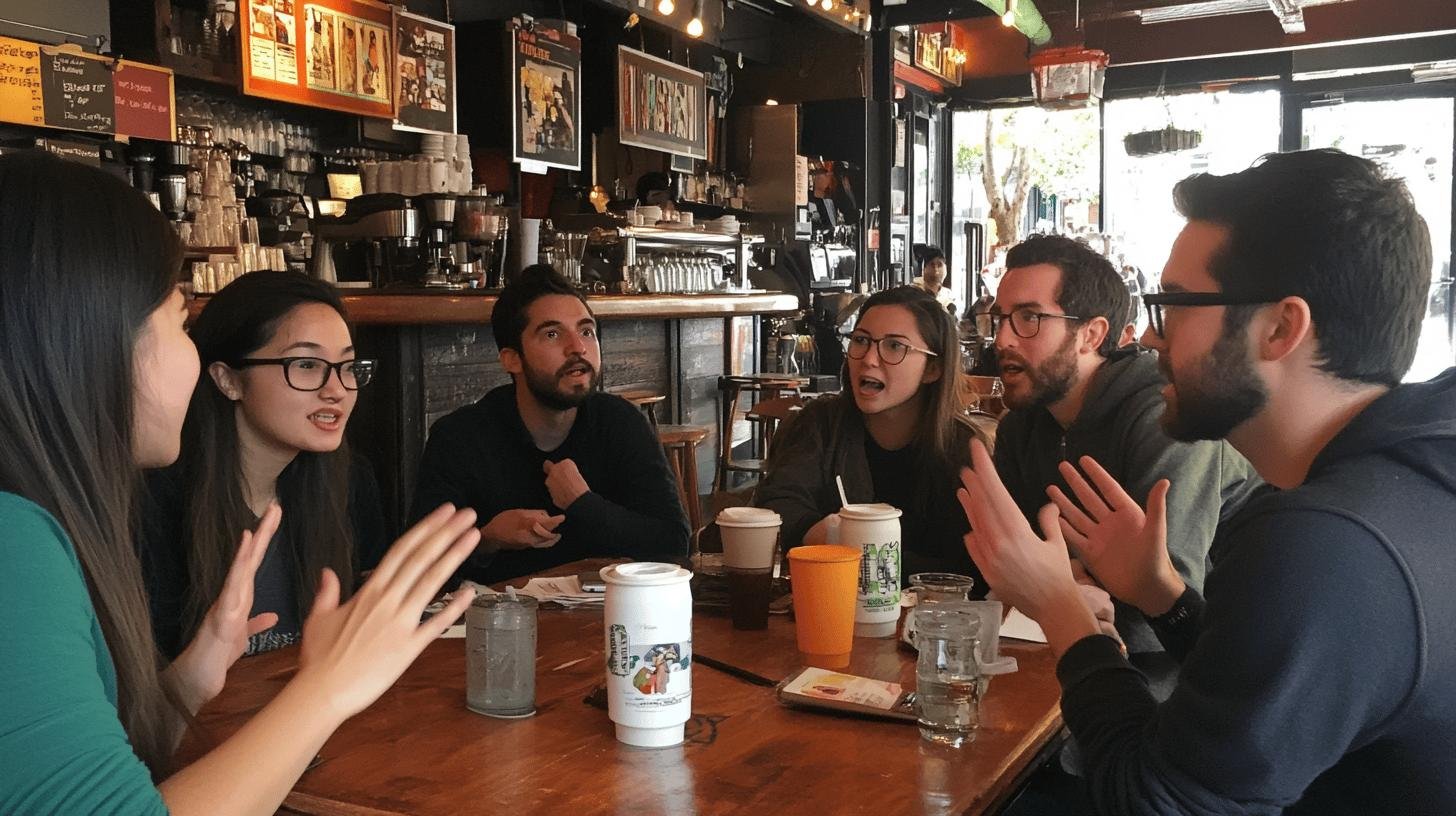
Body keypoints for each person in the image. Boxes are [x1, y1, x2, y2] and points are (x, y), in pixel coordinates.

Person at [956, 149, 1456, 814]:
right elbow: (1255, 707)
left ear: (1280, 328)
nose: (1154, 341)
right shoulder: (1404, 483)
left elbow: (1157, 802)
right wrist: (1164, 597)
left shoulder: (1329, 542)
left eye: (1176, 306)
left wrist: (1059, 609)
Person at [0, 151, 479, 813]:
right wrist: (330, 685)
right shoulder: (12, 545)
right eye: (177, 319)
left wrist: (191, 679)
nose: (192, 355)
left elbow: (103, 786)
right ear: (86, 338)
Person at [983, 234, 1260, 692]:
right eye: (1001, 318)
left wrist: (1055, 586)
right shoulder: (1023, 426)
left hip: (1205, 678)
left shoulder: (1163, 417)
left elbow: (1162, 603)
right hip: (1065, 659)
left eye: (1029, 318)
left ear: (1091, 335)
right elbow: (1014, 567)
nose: (1003, 339)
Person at [139, 272, 387, 660]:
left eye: (348, 366)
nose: (336, 389)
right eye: (306, 364)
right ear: (228, 380)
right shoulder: (155, 503)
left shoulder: (351, 484)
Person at [410, 265, 690, 584]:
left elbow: (674, 542)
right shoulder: (460, 439)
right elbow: (419, 567)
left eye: (586, 331)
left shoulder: (620, 423)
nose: (578, 348)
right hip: (497, 626)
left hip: (601, 622)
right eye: (552, 334)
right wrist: (487, 539)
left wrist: (583, 503)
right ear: (511, 359)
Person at [755, 286, 991, 583]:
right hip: (828, 605)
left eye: (894, 346)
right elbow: (775, 507)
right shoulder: (822, 423)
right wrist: (831, 532)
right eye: (861, 340)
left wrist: (858, 547)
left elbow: (972, 565)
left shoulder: (962, 448)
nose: (868, 358)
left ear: (933, 368)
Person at [913, 247, 955, 311]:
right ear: (924, 269)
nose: (936, 270)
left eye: (939, 265)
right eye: (932, 265)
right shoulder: (914, 291)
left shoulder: (948, 295)